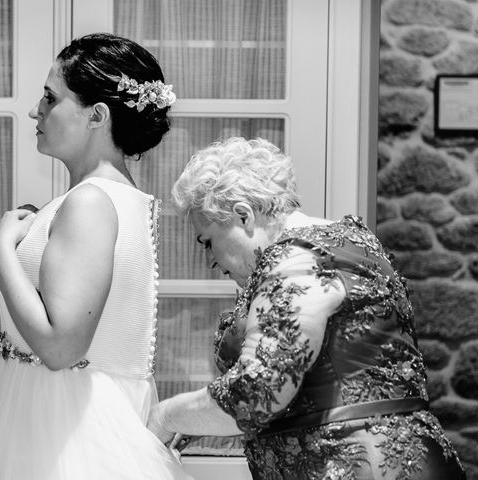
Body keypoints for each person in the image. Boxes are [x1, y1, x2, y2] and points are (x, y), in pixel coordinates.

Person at [147, 137, 466, 480]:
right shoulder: (348, 242)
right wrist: (206, 417)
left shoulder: (297, 259)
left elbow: (259, 390)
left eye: (208, 241)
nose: (211, 260)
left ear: (244, 215)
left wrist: (168, 416)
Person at [0, 33, 192, 480]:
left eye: (51, 97)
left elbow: (60, 346)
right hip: (53, 416)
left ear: (97, 116)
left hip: (66, 430)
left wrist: (1, 250)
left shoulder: (90, 203)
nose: (35, 110)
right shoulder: (114, 198)